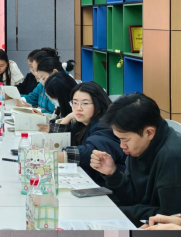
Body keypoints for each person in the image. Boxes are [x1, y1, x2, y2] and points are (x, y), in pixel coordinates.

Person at [91, 93, 182, 226]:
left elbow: (169, 219)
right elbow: (133, 198)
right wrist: (112, 173)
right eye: (119, 139)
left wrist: (119, 212)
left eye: (125, 139)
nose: (122, 145)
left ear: (149, 132)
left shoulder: (172, 158)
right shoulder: (141, 145)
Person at [51, 82, 126, 187]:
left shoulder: (106, 125)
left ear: (98, 105)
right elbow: (57, 142)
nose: (78, 108)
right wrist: (68, 117)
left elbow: (91, 152)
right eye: (75, 103)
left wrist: (54, 156)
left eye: (85, 103)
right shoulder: (82, 124)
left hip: (110, 188)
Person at [20, 48, 75, 114]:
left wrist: (41, 113)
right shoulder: (43, 83)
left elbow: (61, 113)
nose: (34, 72)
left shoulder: (62, 86)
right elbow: (31, 98)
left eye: (35, 69)